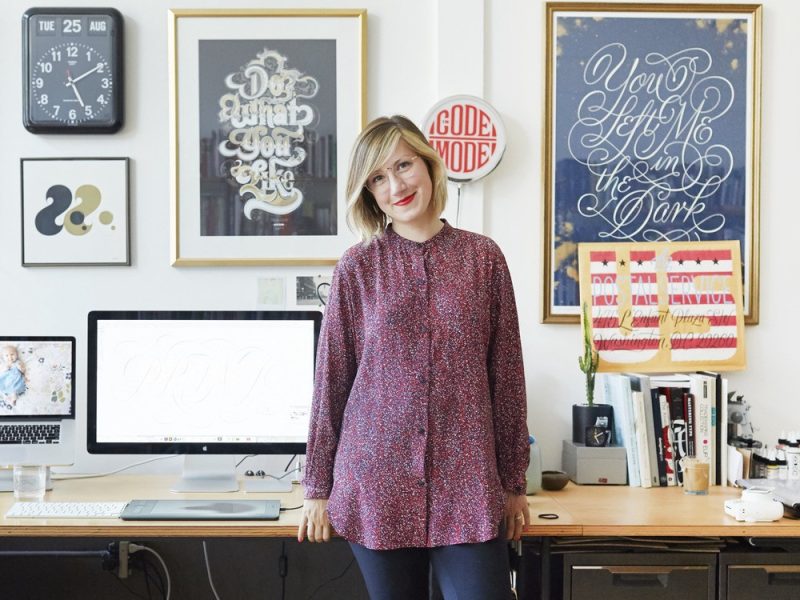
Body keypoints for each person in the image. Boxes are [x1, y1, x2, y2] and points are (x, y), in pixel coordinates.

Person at [298, 115, 529, 600]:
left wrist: (514, 481)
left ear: (428, 165)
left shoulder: (483, 259)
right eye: (378, 178)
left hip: (466, 483)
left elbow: (506, 377)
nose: (396, 185)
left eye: (403, 165)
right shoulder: (358, 267)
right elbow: (332, 380)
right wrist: (316, 487)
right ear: (368, 193)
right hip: (376, 483)